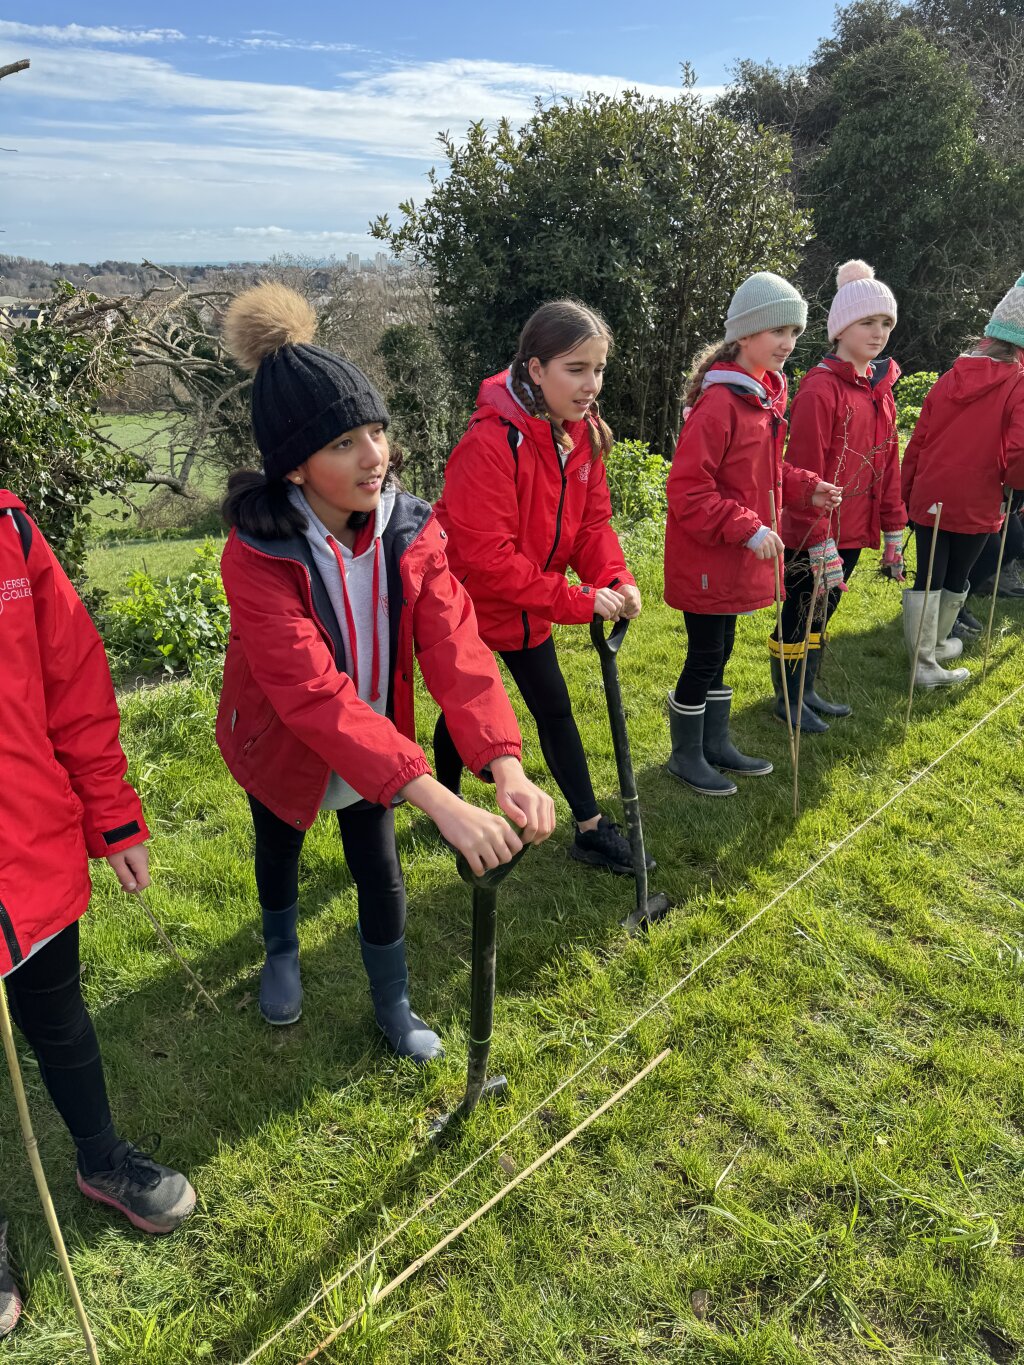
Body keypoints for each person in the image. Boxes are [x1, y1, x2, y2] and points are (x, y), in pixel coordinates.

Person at [217, 284, 554, 1059]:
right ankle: (281, 950)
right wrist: (435, 795)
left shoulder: (410, 529)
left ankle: (393, 1002)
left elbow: (457, 649)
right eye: (344, 443)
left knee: (379, 865)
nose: (375, 455)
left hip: (378, 741)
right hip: (282, 738)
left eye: (376, 430)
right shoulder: (256, 556)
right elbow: (311, 694)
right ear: (294, 468)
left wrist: (504, 763)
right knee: (279, 844)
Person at [1, 492, 196, 1336]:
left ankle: (102, 1158)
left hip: (32, 848)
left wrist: (111, 816)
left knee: (61, 1019)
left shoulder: (10, 531)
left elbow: (73, 681)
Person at [432, 299, 650, 876]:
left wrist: (614, 579)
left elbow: (592, 526)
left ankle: (589, 827)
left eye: (598, 369)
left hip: (529, 607)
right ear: (535, 369)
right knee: (467, 706)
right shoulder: (489, 443)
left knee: (554, 706)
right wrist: (577, 600)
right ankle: (446, 807)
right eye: (575, 369)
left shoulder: (584, 436)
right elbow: (488, 559)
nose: (590, 385)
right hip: (469, 605)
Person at [664, 271, 842, 796]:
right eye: (777, 331)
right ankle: (685, 755)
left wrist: (806, 487)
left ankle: (715, 743)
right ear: (744, 335)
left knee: (722, 650)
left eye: (794, 331)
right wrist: (747, 527)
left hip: (730, 556)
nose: (788, 342)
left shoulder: (762, 397)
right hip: (706, 556)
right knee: (704, 655)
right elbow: (687, 490)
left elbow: (761, 471)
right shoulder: (721, 403)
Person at [774, 260, 908, 730]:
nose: (878, 332)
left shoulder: (881, 391)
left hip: (852, 529)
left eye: (886, 322)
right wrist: (816, 539)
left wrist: (893, 528)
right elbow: (802, 472)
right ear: (841, 328)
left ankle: (807, 689)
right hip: (816, 533)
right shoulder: (820, 388)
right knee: (799, 611)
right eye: (867, 321)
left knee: (823, 612)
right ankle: (787, 698)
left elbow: (888, 464)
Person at [900, 272, 1024, 687]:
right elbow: (1020, 451)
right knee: (956, 576)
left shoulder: (951, 375)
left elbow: (918, 440)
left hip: (931, 490)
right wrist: (1016, 487)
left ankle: (930, 653)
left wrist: (907, 493)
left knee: (929, 574)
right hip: (977, 495)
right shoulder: (1018, 383)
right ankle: (927, 660)